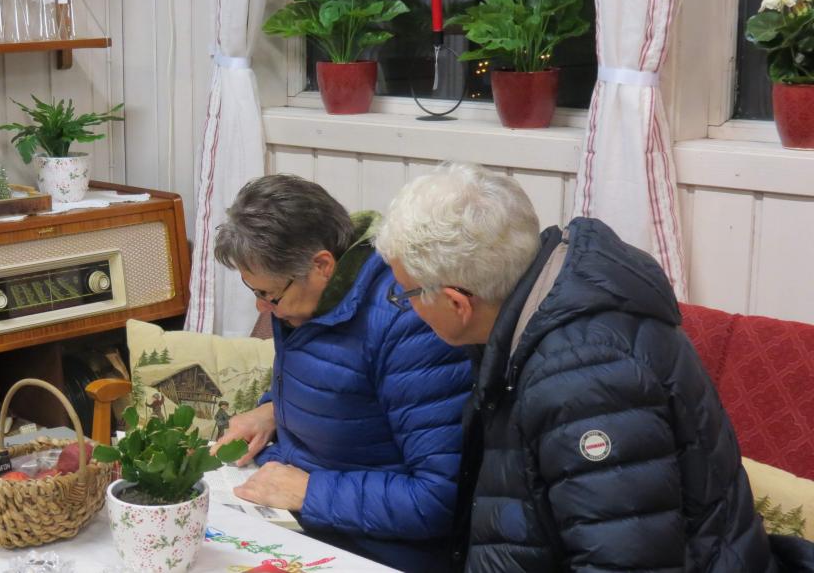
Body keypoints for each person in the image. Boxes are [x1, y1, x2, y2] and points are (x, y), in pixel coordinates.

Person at [374, 161, 784, 572]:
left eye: (405, 293)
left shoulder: (584, 379)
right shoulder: (532, 308)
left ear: (457, 302)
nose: (405, 306)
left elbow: (625, 562)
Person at [212, 174, 471, 572]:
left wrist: (309, 492)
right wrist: (271, 411)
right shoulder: (309, 300)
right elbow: (336, 384)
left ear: (322, 265)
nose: (263, 309)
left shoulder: (409, 326)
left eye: (269, 294)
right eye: (255, 293)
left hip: (374, 551)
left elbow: (438, 500)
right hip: (297, 522)